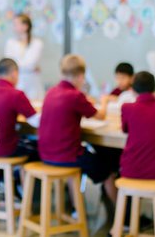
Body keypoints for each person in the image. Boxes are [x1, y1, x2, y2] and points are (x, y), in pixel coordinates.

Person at [39, 54, 117, 204]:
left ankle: (76, 210)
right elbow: (100, 116)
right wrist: (105, 100)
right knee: (108, 173)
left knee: (83, 166)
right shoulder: (75, 95)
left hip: (46, 154)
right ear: (81, 76)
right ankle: (124, 219)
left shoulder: (51, 92)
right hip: (68, 156)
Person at [0, 58, 39, 160]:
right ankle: (17, 176)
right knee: (36, 148)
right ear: (14, 74)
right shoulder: (16, 94)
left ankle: (1, 176)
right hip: (6, 149)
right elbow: (36, 122)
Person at [120, 71, 155, 179]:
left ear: (133, 90)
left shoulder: (126, 108)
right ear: (154, 90)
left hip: (130, 169)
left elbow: (125, 130)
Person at [4, 14, 44, 101]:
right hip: (17, 81)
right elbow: (9, 64)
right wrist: (29, 67)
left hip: (33, 83)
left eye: (16, 24)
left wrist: (18, 66)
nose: (13, 27)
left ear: (25, 26)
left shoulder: (37, 43)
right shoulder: (10, 43)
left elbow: (31, 64)